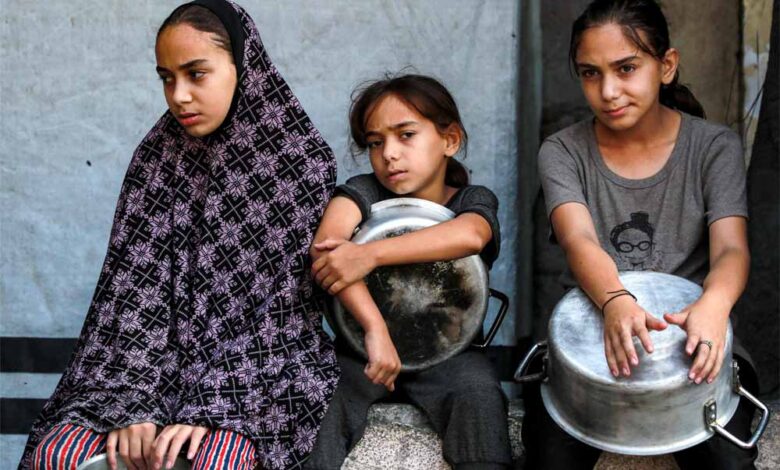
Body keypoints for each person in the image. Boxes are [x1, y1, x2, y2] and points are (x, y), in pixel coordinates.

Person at [20, 1, 340, 469]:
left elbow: (279, 315)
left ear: (243, 65)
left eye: (196, 74)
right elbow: (133, 292)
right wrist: (132, 403)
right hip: (148, 368)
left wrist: (213, 405)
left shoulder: (300, 163)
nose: (180, 96)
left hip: (261, 374)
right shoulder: (156, 159)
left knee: (217, 461)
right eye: (167, 78)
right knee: (58, 454)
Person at [525, 0, 760, 468]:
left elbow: (731, 249)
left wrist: (715, 306)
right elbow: (578, 240)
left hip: (696, 341)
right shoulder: (563, 151)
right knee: (550, 457)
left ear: (666, 66)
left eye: (626, 68)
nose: (608, 91)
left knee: (727, 460)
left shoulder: (714, 147)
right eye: (590, 73)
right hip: (591, 335)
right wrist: (614, 300)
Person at [303, 73, 513, 470]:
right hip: (361, 352)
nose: (389, 154)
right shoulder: (362, 192)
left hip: (451, 354)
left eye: (406, 135)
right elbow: (326, 248)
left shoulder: (471, 200)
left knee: (479, 391)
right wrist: (374, 328)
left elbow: (471, 235)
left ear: (450, 140)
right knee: (319, 397)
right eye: (375, 142)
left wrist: (369, 255)